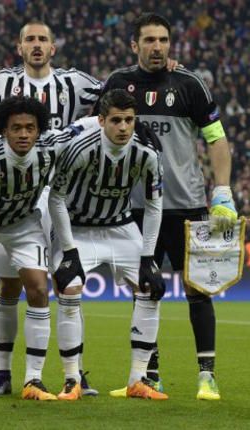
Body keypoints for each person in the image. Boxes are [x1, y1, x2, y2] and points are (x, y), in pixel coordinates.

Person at [98, 13, 236, 401]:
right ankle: (149, 376)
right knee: (144, 291)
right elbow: (98, 131)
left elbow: (217, 138)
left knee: (199, 290)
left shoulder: (189, 84)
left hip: (186, 205)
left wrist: (223, 190)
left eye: (163, 40)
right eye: (149, 40)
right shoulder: (117, 84)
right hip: (136, 208)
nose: (157, 47)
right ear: (134, 45)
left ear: (170, 44)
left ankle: (206, 376)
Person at [0, 20, 102, 396]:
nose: (36, 45)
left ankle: (74, 373)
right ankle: (2, 374)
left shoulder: (75, 82)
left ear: (53, 48)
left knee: (68, 284)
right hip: (12, 194)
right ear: (19, 47)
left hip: (61, 195)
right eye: (29, 39)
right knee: (9, 285)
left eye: (43, 40)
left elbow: (119, 94)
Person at [0, 96, 83, 401]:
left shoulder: (50, 149)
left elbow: (83, 126)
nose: (23, 134)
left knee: (38, 288)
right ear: (3, 131)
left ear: (39, 130)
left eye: (30, 128)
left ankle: (33, 379)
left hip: (22, 226)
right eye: (16, 128)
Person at [50, 89, 166, 401]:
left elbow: (154, 205)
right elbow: (56, 199)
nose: (123, 127)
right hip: (78, 227)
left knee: (151, 288)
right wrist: (69, 250)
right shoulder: (80, 149)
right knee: (70, 288)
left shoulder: (147, 153)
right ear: (101, 121)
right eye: (116, 120)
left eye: (129, 120)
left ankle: (137, 380)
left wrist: (148, 257)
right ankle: (72, 379)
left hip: (120, 226)